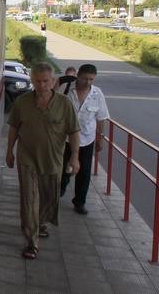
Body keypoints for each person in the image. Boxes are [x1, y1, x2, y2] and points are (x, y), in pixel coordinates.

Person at [6, 62, 79, 260]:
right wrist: (9, 151)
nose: (42, 85)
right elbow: (13, 126)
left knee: (48, 197)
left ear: (53, 81)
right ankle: (31, 241)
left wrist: (75, 156)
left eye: (46, 81)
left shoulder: (64, 104)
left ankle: (42, 222)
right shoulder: (22, 102)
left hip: (53, 159)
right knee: (29, 200)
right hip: (27, 157)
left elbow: (73, 131)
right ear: (32, 81)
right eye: (37, 81)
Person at [60, 63, 110, 214]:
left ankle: (79, 202)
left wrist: (100, 138)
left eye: (91, 79)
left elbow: (101, 118)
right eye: (84, 78)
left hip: (87, 140)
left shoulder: (97, 94)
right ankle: (60, 188)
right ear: (78, 76)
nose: (87, 82)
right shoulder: (67, 90)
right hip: (66, 140)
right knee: (63, 168)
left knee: (85, 172)